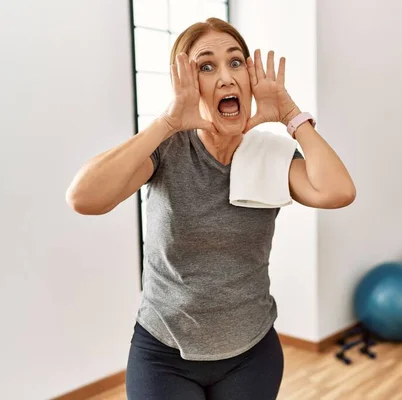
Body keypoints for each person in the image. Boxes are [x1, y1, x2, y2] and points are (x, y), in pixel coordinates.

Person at [66, 18, 355, 400]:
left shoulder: (271, 153)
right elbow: (84, 197)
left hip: (251, 353)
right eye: (206, 66)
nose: (226, 77)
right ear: (187, 82)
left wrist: (291, 115)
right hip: (164, 353)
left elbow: (337, 192)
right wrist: (168, 121)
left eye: (236, 63)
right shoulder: (168, 149)